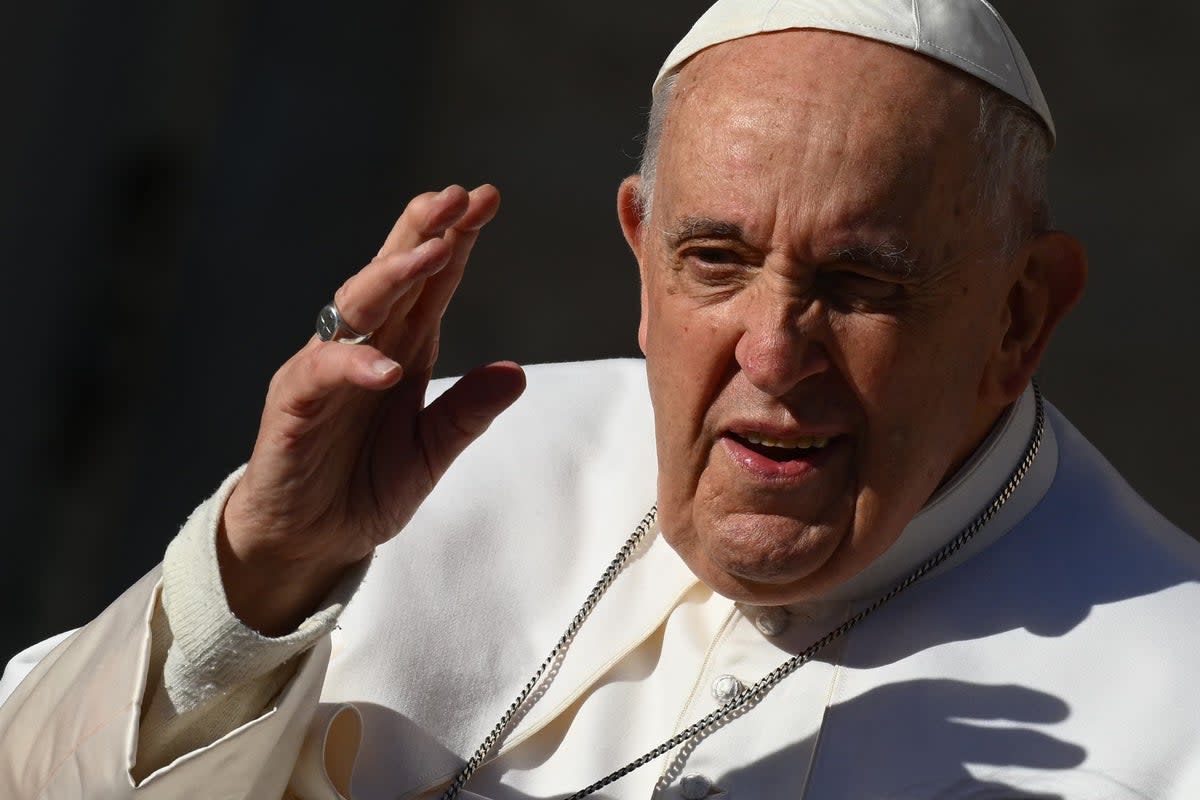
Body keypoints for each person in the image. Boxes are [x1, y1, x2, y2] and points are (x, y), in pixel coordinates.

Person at [3, 0, 1199, 798]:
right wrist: (257, 579)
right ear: (641, 253)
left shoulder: (1175, 706)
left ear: (1019, 316)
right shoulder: (445, 472)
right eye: (716, 261)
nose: (773, 354)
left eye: (858, 282)